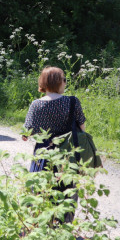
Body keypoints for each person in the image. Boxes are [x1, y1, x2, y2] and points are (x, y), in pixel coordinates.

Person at [23, 67, 86, 223]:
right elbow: (82, 129)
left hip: (43, 153)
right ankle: (65, 226)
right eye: (64, 79)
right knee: (68, 190)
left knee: (40, 189)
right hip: (68, 154)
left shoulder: (35, 105)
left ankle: (39, 224)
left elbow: (26, 133)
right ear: (58, 82)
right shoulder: (72, 101)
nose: (65, 82)